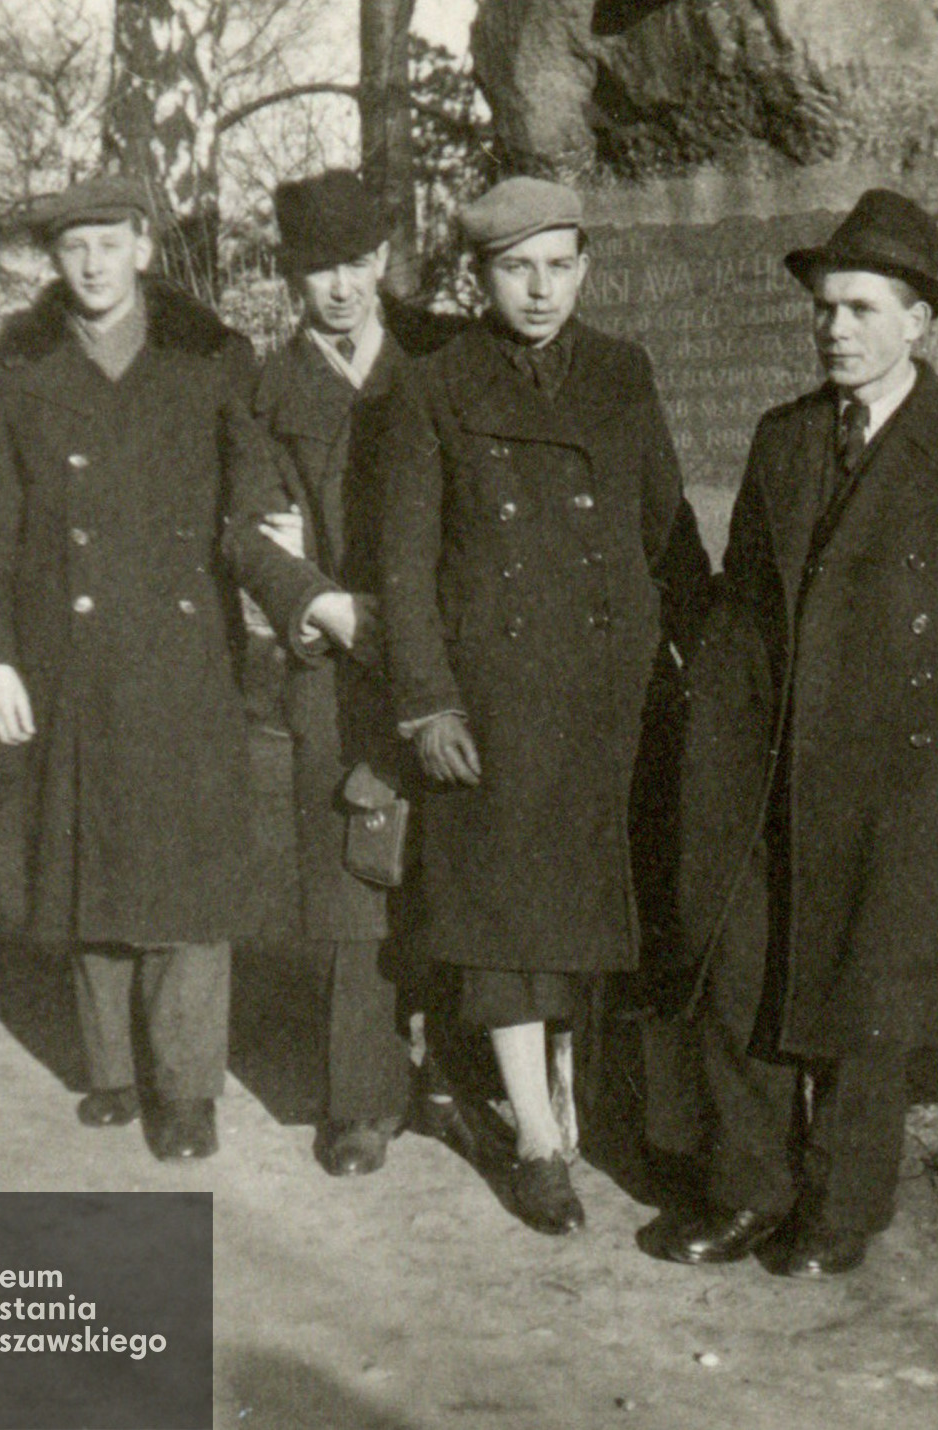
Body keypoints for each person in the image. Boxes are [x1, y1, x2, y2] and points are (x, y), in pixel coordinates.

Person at [646, 189, 938, 1277]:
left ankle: (841, 1205)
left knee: (868, 1002)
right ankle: (745, 1189)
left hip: (896, 783)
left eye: (863, 308)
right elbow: (740, 600)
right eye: (825, 309)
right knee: (742, 977)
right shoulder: (783, 439)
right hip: (758, 767)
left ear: (920, 321)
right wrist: (712, 728)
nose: (836, 329)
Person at [378, 176, 709, 1234]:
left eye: (559, 266)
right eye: (516, 267)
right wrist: (428, 701)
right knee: (512, 924)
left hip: (614, 694)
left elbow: (669, 533)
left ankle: (608, 1115)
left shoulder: (623, 372)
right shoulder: (436, 386)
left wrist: (712, 662)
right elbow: (406, 563)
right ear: (480, 276)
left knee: (609, 907)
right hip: (497, 700)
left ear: (585, 269)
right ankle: (534, 1138)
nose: (539, 289)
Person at [0, 173, 299, 1160]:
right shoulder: (19, 366)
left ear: (144, 248)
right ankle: (112, 1064)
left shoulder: (212, 357)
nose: (93, 263)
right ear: (57, 262)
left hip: (186, 648)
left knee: (187, 864)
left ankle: (188, 1086)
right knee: (88, 850)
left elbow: (247, 479)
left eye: (110, 242)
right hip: (66, 650)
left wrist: (270, 529)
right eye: (73, 248)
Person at [233, 169, 455, 1177]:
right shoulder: (268, 390)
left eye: (357, 262)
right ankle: (359, 1096)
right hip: (337, 662)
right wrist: (328, 605)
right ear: (292, 277)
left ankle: (453, 1072)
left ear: (384, 258)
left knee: (454, 855)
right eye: (316, 269)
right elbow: (247, 529)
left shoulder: (442, 360)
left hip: (446, 652)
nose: (340, 287)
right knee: (350, 874)